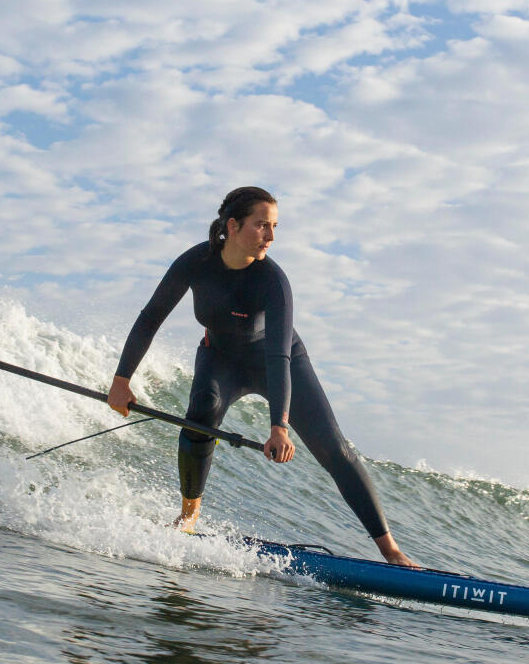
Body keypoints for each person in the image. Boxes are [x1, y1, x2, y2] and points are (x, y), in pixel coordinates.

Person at [108, 186, 418, 567]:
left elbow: (278, 355)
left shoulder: (273, 280)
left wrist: (280, 426)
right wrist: (122, 379)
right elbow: (150, 316)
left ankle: (390, 550)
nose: (271, 236)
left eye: (275, 226)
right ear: (233, 226)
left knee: (333, 448)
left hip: (281, 360)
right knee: (201, 412)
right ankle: (188, 516)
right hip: (220, 357)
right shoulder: (196, 262)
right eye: (262, 226)